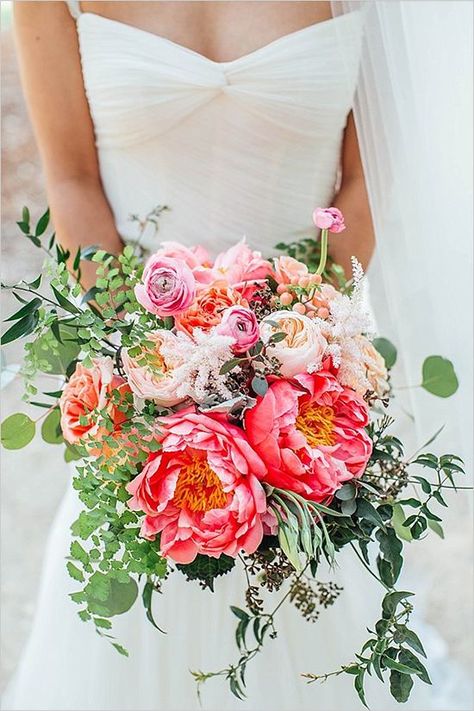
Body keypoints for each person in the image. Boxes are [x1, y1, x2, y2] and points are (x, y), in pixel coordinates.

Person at [3, 2, 440, 710]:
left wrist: (299, 367)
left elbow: (365, 180)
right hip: (143, 380)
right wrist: (147, 376)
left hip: (304, 384)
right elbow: (74, 179)